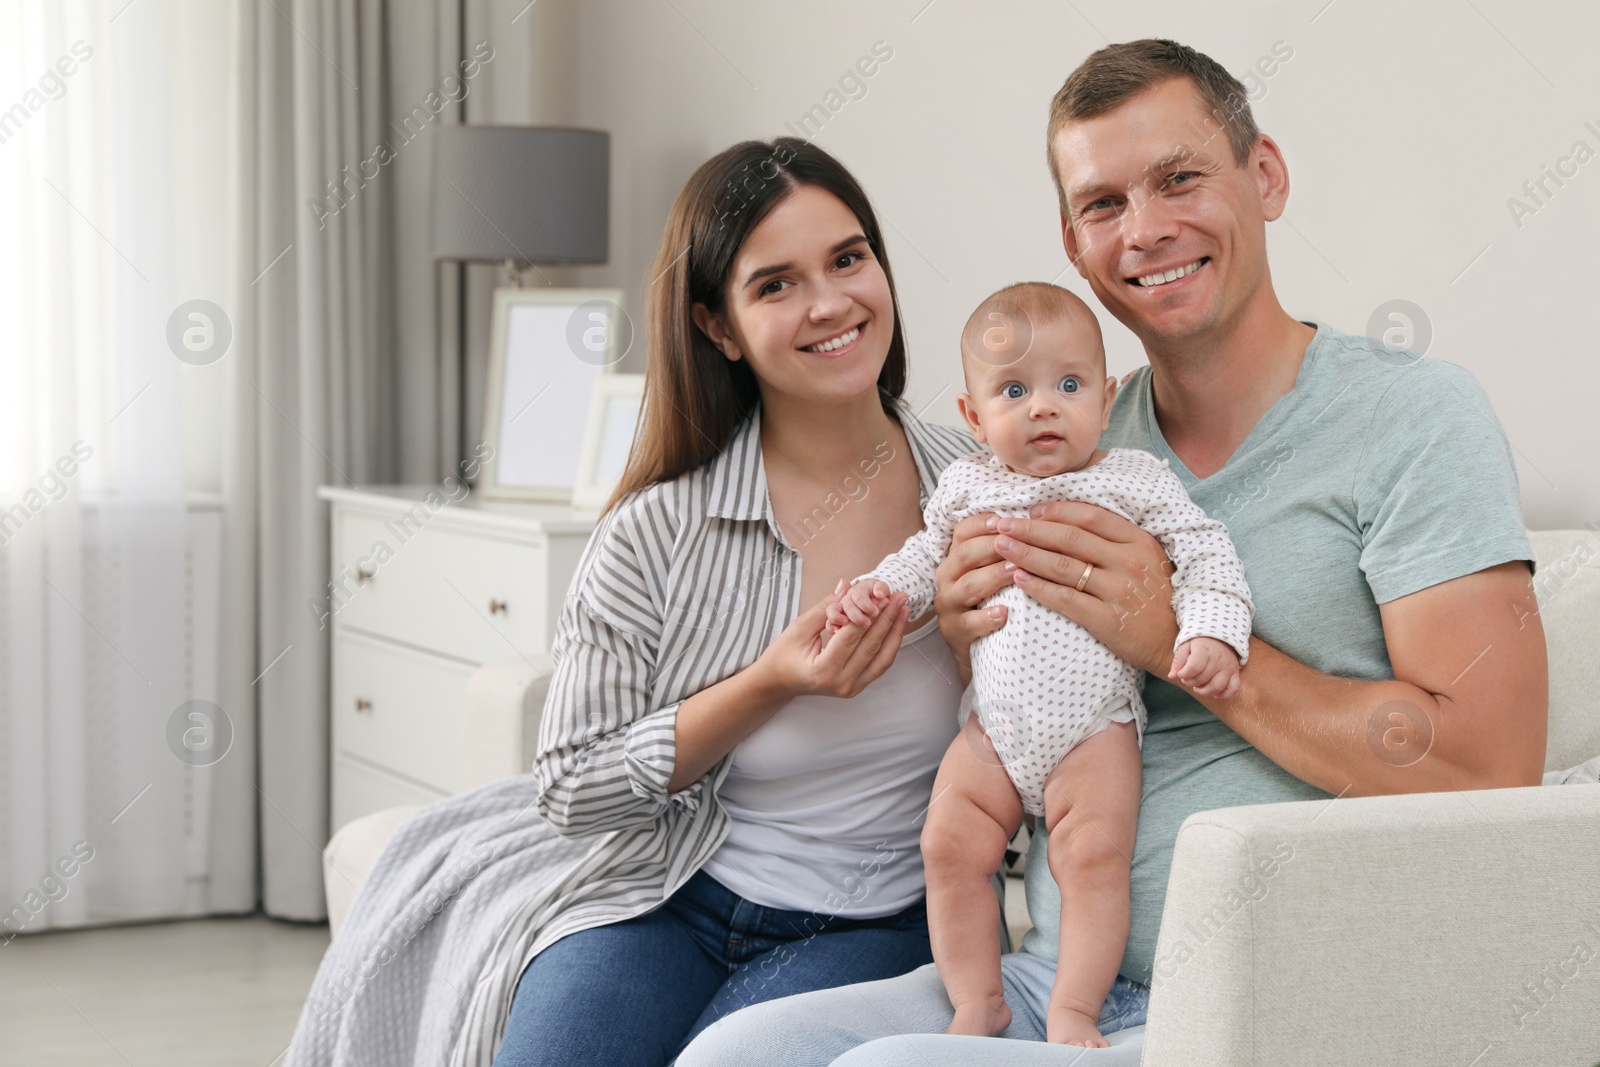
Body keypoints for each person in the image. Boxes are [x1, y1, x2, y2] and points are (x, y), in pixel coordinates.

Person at [676, 37, 1546, 1067]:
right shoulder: (1060, 447)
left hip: (1279, 992)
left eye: (1179, 178)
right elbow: (1030, 697)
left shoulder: (1412, 417)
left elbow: (1487, 770)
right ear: (1072, 243)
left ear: (1262, 176)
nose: (1145, 230)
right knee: (731, 1056)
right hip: (1058, 975)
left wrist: (1180, 633)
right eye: (1102, 205)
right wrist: (966, 633)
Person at [488, 135, 990, 1067]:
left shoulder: (982, 491)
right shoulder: (656, 529)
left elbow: (1059, 716)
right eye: (776, 284)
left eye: (848, 258)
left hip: (872, 921)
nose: (832, 303)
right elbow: (566, 784)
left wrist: (967, 646)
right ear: (718, 327)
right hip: (668, 895)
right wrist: (769, 682)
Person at [829, 281, 1252, 1047]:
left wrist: (1212, 632)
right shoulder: (968, 486)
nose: (1044, 407)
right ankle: (977, 999)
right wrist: (877, 590)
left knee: (1091, 855)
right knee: (948, 845)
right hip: (992, 729)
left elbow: (1203, 549)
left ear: (1107, 395)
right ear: (973, 416)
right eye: (1014, 390)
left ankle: (1074, 1008)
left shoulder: (1133, 480)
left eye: (1068, 385)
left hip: (1095, 732)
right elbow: (926, 557)